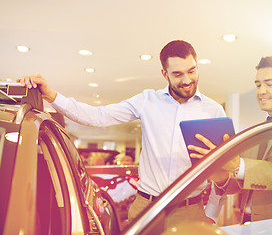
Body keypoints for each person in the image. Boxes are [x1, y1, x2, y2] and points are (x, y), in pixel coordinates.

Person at [18, 40, 227, 226]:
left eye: (192, 71)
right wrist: (52, 96)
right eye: (178, 74)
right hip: (146, 209)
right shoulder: (147, 100)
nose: (187, 80)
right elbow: (97, 116)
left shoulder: (214, 111)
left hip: (189, 212)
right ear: (164, 74)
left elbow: (223, 167)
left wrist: (212, 213)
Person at [188, 56, 272, 223]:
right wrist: (219, 173)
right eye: (258, 85)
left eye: (269, 84)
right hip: (249, 224)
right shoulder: (257, 131)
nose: (260, 91)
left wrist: (239, 165)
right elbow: (241, 183)